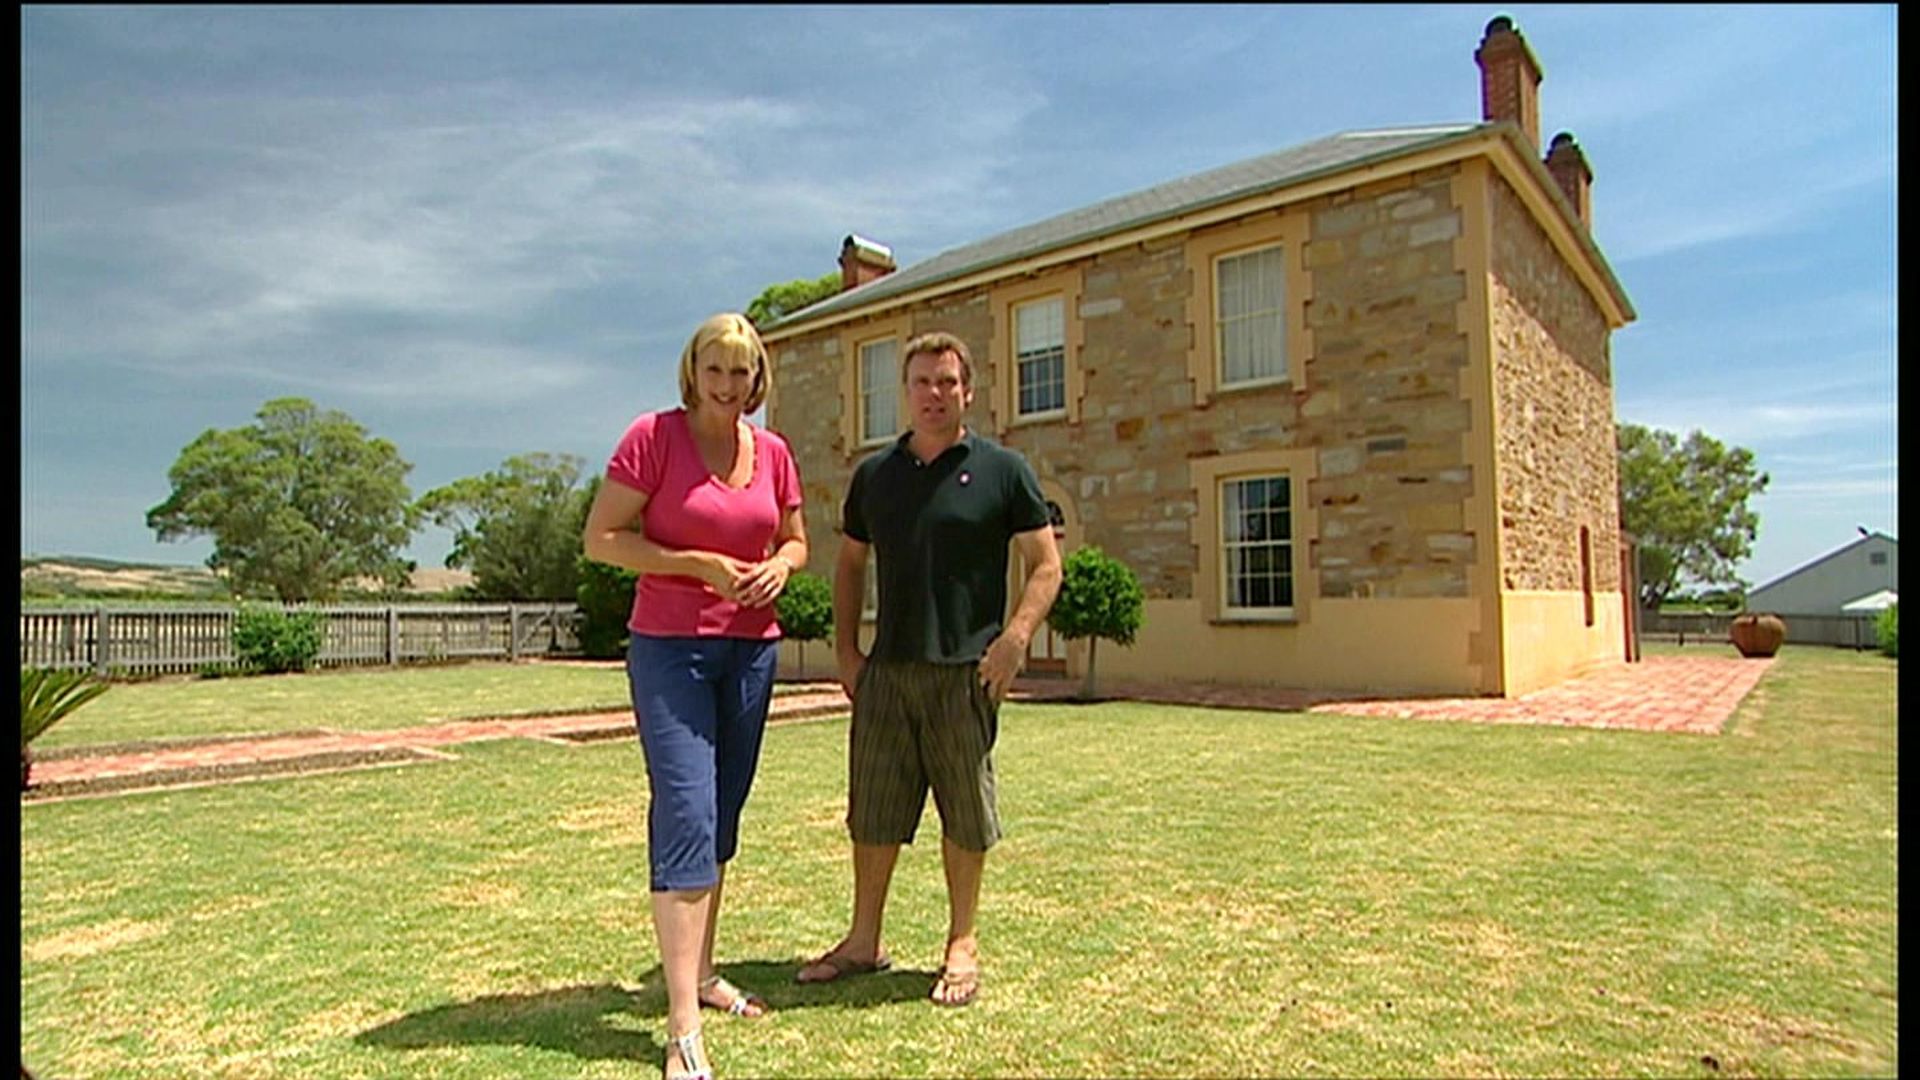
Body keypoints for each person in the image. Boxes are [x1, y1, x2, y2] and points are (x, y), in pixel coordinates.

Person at [795, 330, 1062, 1008]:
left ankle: (961, 943)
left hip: (965, 674)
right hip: (888, 673)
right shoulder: (875, 476)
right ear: (905, 392)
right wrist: (847, 653)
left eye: (947, 382)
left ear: (968, 390)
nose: (934, 394)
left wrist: (1016, 638)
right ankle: (863, 940)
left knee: (965, 813)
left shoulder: (1004, 471)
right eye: (922, 382)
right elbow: (850, 565)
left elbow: (1046, 565)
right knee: (873, 812)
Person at [582, 312, 808, 1080]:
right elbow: (602, 539)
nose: (727, 385)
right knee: (686, 810)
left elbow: (796, 538)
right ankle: (682, 1027)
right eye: (715, 369)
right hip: (670, 650)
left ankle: (704, 973)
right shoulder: (653, 438)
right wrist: (696, 565)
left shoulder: (773, 452)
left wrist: (782, 566)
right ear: (693, 371)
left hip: (751, 652)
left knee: (722, 814)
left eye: (741, 372)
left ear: (757, 378)